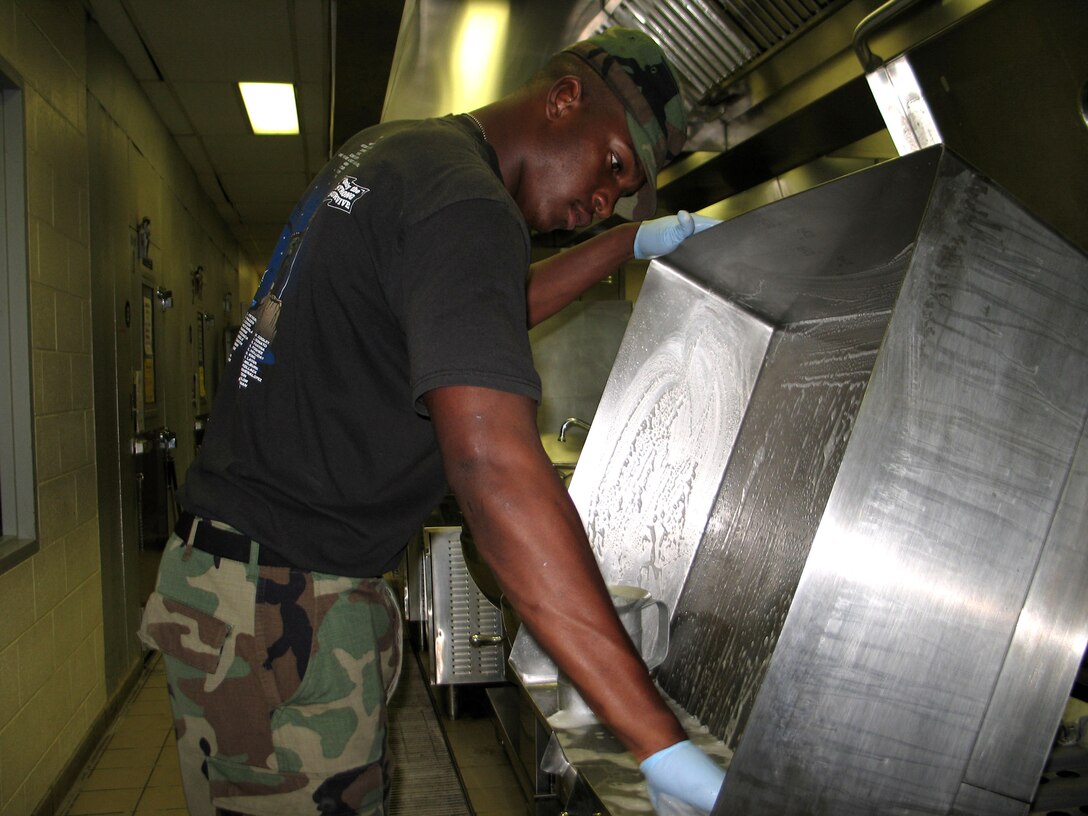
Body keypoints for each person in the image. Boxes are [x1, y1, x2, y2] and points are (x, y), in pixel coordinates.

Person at [138, 26, 725, 816]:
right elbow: (492, 470)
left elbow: (480, 311)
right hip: (287, 608)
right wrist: (658, 739)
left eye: (623, 195)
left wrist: (626, 245)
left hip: (228, 587)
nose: (603, 196)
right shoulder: (470, 205)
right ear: (563, 99)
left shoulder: (400, 155)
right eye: (614, 164)